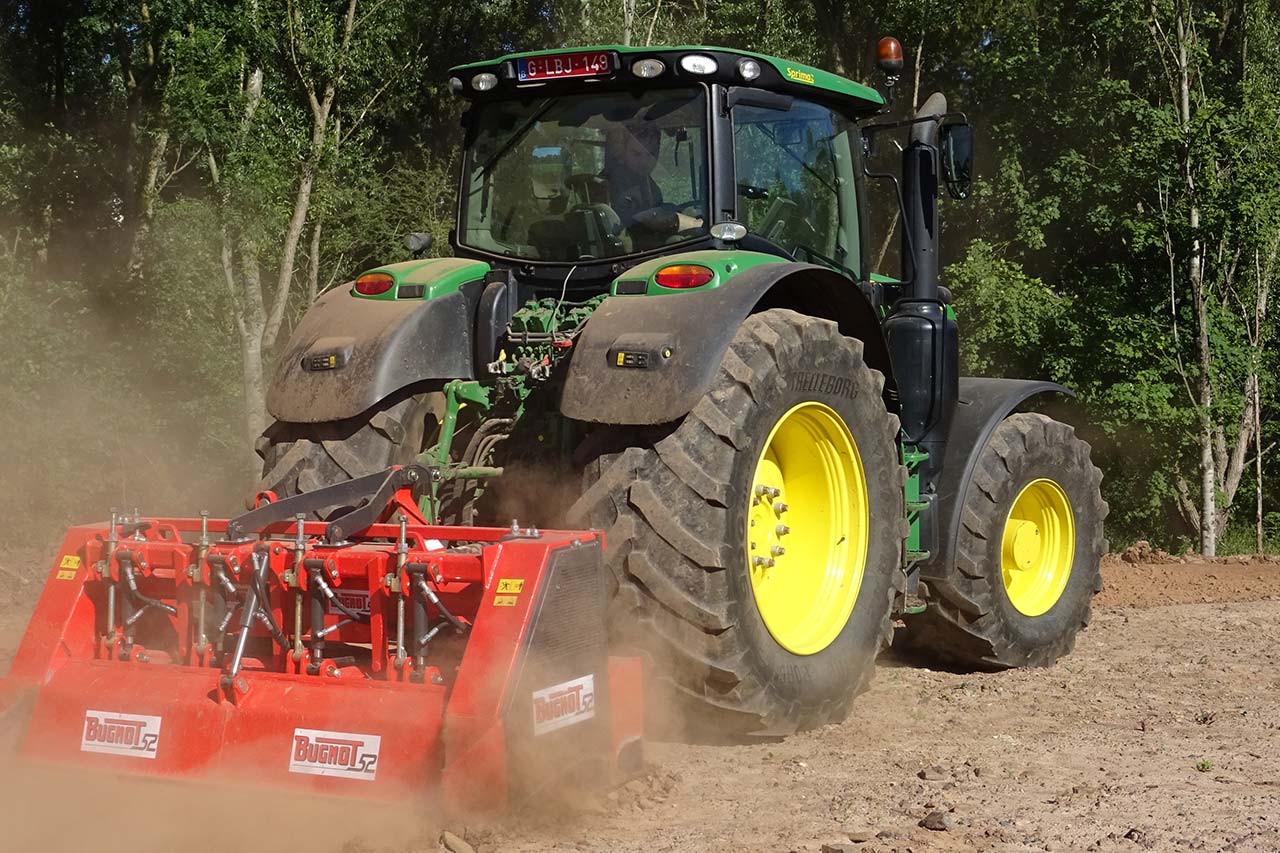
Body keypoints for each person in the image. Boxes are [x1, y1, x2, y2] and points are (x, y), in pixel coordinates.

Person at [602, 122, 702, 247]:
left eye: (651, 153)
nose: (645, 161)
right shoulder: (614, 183)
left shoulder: (645, 182)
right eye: (637, 154)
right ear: (623, 152)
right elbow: (637, 220)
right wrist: (676, 219)